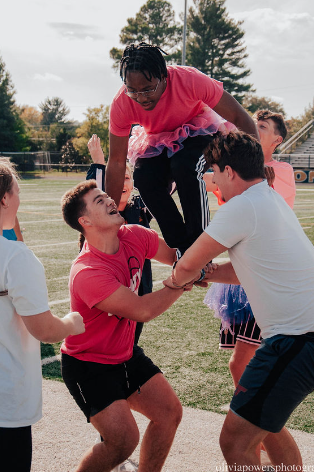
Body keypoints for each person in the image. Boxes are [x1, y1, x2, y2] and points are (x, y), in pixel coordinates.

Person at [167, 131, 314, 467]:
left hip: (298, 341)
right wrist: (207, 274)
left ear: (229, 171)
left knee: (235, 441)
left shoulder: (241, 206)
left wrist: (176, 280)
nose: (212, 180)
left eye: (214, 172)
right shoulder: (266, 197)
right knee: (266, 428)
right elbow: (251, 266)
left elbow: (187, 262)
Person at [60, 179, 206, 472]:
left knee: (168, 413)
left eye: (106, 196)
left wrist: (201, 269)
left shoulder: (135, 235)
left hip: (125, 354)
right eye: (99, 201)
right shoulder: (87, 271)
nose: (110, 200)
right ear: (84, 220)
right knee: (123, 441)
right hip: (89, 366)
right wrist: (179, 283)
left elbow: (181, 261)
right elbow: (142, 310)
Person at [0, 157, 85, 472]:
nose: (20, 199)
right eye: (17, 191)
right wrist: (71, 323)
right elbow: (44, 330)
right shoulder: (16, 257)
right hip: (0, 403)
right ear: (4, 198)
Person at [105, 41, 258, 258]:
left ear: (164, 77)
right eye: (133, 91)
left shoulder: (189, 79)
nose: (141, 98)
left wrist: (259, 168)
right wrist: (109, 213)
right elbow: (117, 162)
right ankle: (183, 247)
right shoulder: (122, 103)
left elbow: (239, 116)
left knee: (185, 165)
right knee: (143, 178)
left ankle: (200, 245)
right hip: (158, 140)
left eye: (148, 89)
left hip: (198, 130)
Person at [203, 110, 296, 389]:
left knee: (243, 363)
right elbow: (201, 179)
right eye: (253, 124)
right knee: (244, 362)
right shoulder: (234, 169)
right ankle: (252, 422)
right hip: (238, 270)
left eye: (262, 127)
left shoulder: (281, 171)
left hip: (262, 272)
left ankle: (253, 422)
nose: (253, 128)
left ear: (277, 140)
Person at [86, 134, 152, 344]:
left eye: (127, 177)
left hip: (138, 282)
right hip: (108, 281)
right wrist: (98, 161)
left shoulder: (141, 205)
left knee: (133, 336)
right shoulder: (101, 209)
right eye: (117, 177)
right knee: (108, 334)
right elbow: (93, 190)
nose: (122, 182)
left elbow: (166, 187)